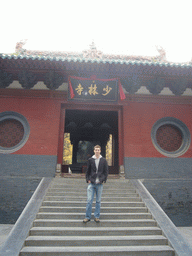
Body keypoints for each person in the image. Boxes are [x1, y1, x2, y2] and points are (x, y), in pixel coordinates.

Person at [83, 145, 108, 223]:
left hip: (99, 183)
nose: (97, 151)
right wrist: (88, 179)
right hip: (92, 183)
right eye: (96, 150)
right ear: (94, 151)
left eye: (98, 150)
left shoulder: (103, 160)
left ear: (100, 151)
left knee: (98, 201)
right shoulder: (91, 160)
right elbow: (88, 171)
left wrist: (104, 180)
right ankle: (87, 217)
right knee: (89, 200)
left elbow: (106, 171)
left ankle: (97, 217)